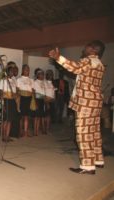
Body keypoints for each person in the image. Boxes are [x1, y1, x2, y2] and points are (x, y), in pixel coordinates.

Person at [49, 40, 106, 175]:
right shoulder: (100, 64)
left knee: (84, 133)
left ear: (93, 50)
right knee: (94, 132)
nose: (84, 48)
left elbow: (75, 67)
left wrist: (58, 58)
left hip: (86, 103)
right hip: (95, 102)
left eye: (87, 46)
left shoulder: (88, 61)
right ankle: (98, 160)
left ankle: (87, 166)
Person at [0, 66, 18, 142]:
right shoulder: (3, 80)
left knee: (10, 120)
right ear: (7, 72)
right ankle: (3, 136)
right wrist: (2, 103)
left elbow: (15, 91)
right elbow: (0, 92)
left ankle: (7, 135)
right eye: (11, 71)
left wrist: (15, 96)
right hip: (6, 100)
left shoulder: (14, 80)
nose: (12, 72)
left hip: (12, 101)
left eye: (13, 71)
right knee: (5, 120)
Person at [16, 64, 34, 138]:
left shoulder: (31, 80)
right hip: (21, 98)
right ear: (23, 70)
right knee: (21, 117)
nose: (27, 71)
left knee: (26, 116)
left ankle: (25, 132)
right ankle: (20, 131)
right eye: (26, 69)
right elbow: (17, 90)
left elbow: (32, 90)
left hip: (29, 98)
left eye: (28, 69)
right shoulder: (19, 79)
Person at [33, 69, 46, 136]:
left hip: (42, 100)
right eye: (41, 74)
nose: (43, 75)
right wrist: (35, 102)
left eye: (43, 74)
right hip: (37, 99)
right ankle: (35, 131)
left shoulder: (43, 82)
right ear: (38, 75)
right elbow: (34, 92)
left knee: (40, 116)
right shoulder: (35, 82)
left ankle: (37, 130)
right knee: (36, 116)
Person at [44, 69, 56, 134]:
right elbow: (44, 93)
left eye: (52, 74)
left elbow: (53, 92)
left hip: (52, 101)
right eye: (49, 74)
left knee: (50, 116)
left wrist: (54, 99)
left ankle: (47, 128)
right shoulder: (44, 82)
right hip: (47, 101)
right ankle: (46, 129)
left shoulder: (52, 83)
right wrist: (46, 102)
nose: (51, 75)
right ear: (47, 75)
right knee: (47, 116)